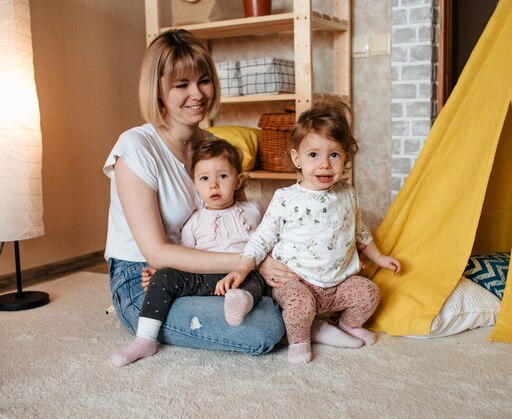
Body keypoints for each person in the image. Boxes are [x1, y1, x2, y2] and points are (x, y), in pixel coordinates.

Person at [104, 29, 362, 363]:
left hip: (211, 267)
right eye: (181, 85)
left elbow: (241, 219)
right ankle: (307, 325)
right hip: (148, 279)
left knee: (283, 292)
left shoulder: (211, 145)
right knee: (263, 329)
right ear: (158, 91)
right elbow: (156, 253)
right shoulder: (135, 147)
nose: (197, 94)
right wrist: (251, 263)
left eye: (204, 80)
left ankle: (303, 317)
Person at [221, 97, 402, 364]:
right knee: (299, 307)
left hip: (338, 282)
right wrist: (241, 268)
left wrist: (378, 257)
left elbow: (359, 230)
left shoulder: (348, 194)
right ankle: (300, 341)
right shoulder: (286, 198)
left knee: (370, 292)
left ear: (346, 158)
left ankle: (348, 325)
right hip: (297, 281)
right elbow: (262, 238)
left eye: (334, 155)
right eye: (313, 155)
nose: (325, 164)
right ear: (297, 158)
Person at [112, 139, 270, 367]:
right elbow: (185, 256)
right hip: (203, 276)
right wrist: (159, 273)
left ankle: (241, 301)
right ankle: (145, 338)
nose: (213, 185)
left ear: (239, 181)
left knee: (257, 278)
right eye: (204, 179)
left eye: (223, 177)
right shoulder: (194, 221)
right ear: (195, 185)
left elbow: (267, 241)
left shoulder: (254, 210)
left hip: (240, 276)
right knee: (165, 277)